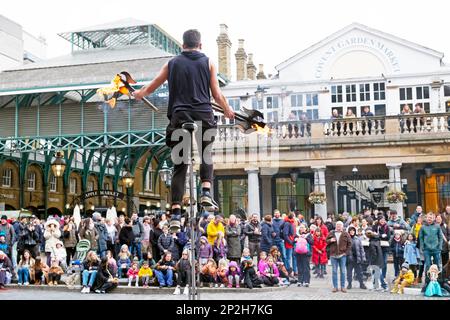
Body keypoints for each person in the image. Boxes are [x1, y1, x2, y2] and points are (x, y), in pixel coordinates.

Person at [133, 29, 235, 228]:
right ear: (200, 45)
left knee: (180, 164)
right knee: (206, 153)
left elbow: (151, 87)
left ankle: (176, 213)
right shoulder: (208, 62)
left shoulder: (172, 63)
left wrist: (139, 94)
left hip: (180, 116)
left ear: (182, 45)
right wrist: (228, 110)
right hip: (203, 114)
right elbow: (216, 94)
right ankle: (206, 191)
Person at [326, 221, 352, 293]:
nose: (338, 226)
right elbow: (326, 240)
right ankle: (335, 287)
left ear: (342, 226)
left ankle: (343, 287)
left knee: (343, 271)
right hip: (333, 255)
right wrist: (330, 240)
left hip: (342, 255)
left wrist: (346, 253)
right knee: (334, 271)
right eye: (337, 225)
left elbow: (350, 244)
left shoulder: (346, 234)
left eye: (340, 225)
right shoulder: (331, 233)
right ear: (335, 226)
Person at [282, 213, 297, 277]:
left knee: (293, 257)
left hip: (292, 242)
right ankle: (289, 271)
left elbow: (293, 233)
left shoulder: (292, 222)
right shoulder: (287, 223)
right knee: (288, 257)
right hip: (289, 243)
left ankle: (294, 271)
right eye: (294, 216)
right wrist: (290, 242)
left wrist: (297, 237)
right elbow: (285, 234)